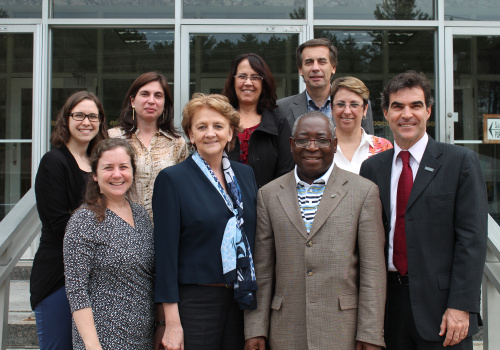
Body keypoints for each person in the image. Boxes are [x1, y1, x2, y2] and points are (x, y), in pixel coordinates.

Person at [360, 71, 488, 349]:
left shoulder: (460, 162)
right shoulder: (372, 168)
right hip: (388, 308)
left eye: (415, 105)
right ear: (385, 112)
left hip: (443, 310)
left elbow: (472, 240)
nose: (407, 114)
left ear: (428, 111)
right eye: (398, 106)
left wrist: (461, 305)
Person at [244, 111, 386, 350]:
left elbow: (372, 271)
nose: (312, 147)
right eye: (303, 140)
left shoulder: (363, 192)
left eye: (321, 139)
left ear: (334, 144)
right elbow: (263, 269)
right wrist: (256, 328)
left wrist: (370, 333)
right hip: (286, 329)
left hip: (343, 330)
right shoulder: (269, 195)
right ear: (291, 144)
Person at [153, 93, 258, 350]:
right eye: (201, 127)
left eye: (218, 126)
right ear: (190, 134)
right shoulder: (172, 180)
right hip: (195, 302)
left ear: (231, 133)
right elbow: (165, 257)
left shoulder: (246, 175)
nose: (210, 133)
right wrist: (172, 323)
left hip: (239, 300)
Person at [30, 91, 108, 349]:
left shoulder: (101, 165)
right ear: (66, 119)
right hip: (58, 277)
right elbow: (60, 224)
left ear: (100, 122)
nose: (86, 122)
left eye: (93, 116)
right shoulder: (54, 162)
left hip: (95, 276)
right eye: (79, 115)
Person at [63, 138, 155, 349]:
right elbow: (76, 289)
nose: (117, 174)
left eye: (124, 167)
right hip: (102, 339)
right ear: (95, 175)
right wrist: (92, 345)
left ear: (132, 172)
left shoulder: (141, 214)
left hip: (143, 338)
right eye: (108, 168)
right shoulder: (84, 220)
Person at [108, 71, 188, 221]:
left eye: (158, 96)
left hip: (165, 227)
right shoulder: (113, 138)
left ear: (165, 104)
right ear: (132, 101)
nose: (151, 101)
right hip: (122, 227)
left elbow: (183, 192)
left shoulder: (177, 143)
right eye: (145, 94)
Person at [223, 53, 294, 187]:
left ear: (264, 83)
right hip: (222, 203)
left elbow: (286, 172)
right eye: (242, 76)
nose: (248, 83)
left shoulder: (278, 122)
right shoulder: (220, 120)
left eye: (255, 77)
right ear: (233, 81)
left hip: (266, 204)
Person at [277, 38, 374, 134]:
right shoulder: (282, 108)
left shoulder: (358, 106)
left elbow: (368, 145)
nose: (315, 68)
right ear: (300, 70)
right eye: (309, 62)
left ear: (333, 67)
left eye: (322, 62)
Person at [331, 76, 392, 174]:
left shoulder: (383, 147)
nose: (347, 111)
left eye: (354, 104)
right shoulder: (321, 147)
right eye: (340, 104)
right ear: (331, 109)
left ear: (365, 109)